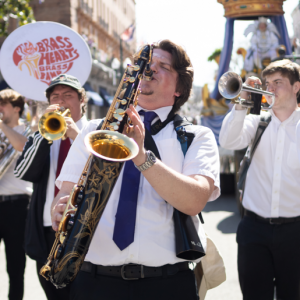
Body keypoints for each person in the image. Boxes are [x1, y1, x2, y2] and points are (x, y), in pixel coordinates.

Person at [51, 40, 220, 300]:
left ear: (179, 88)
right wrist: (60, 209)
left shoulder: (197, 136)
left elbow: (194, 200)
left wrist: (142, 158)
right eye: (146, 65)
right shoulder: (95, 129)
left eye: (163, 66)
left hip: (166, 284)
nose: (149, 71)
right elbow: (64, 194)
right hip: (94, 282)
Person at [219, 59, 300, 300]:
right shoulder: (256, 121)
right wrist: (242, 100)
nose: (270, 89)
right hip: (254, 229)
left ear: (297, 87)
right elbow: (227, 141)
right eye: (267, 83)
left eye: (278, 82)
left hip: (295, 232)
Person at [14, 74, 88, 300]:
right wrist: (41, 134)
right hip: (49, 230)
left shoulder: (94, 132)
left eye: (68, 95)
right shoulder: (45, 135)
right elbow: (23, 172)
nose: (61, 101)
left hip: (85, 229)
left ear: (81, 100)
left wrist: (75, 136)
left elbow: (103, 170)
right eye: (55, 97)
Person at [0, 89, 32, 300]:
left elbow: (21, 146)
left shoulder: (29, 131)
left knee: (15, 266)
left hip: (17, 206)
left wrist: (2, 126)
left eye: (3, 105)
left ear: (16, 108)